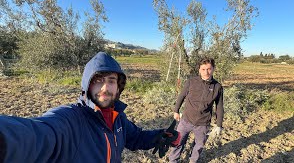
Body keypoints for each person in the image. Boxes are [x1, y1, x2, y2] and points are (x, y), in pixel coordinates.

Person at [0, 52, 180, 162]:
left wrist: (159, 136)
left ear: (118, 87)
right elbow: (37, 134)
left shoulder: (118, 118)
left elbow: (135, 137)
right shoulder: (70, 120)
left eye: (111, 81)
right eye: (98, 81)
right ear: (87, 85)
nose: (105, 88)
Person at [169, 57, 224, 163]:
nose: (206, 72)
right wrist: (176, 110)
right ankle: (173, 160)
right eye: (203, 69)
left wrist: (219, 125)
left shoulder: (217, 87)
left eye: (209, 69)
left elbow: (219, 106)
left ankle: (193, 161)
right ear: (199, 70)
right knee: (178, 142)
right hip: (186, 120)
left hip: (203, 124)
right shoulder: (191, 82)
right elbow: (181, 96)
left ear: (213, 69)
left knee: (199, 146)